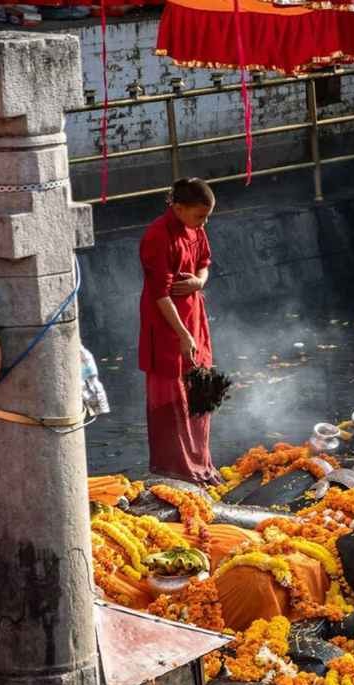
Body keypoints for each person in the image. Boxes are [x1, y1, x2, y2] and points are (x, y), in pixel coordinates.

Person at [138, 177, 219, 484]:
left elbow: (204, 263)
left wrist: (200, 282)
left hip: (194, 316)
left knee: (200, 390)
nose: (203, 223)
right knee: (172, 397)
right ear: (179, 208)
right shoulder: (158, 236)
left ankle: (202, 463)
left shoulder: (195, 228)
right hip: (167, 324)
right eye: (199, 216)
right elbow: (159, 294)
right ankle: (177, 468)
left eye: (207, 216)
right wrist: (183, 335)